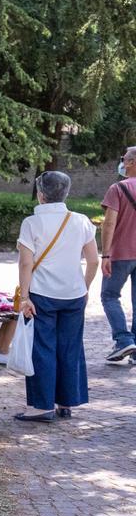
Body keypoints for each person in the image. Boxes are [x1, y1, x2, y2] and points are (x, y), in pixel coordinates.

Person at [15, 171, 99, 422]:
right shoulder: (82, 220)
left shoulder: (31, 223)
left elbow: (25, 264)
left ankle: (41, 406)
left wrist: (24, 297)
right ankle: (66, 402)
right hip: (74, 294)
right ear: (66, 193)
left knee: (42, 348)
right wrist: (85, 288)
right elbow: (93, 260)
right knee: (71, 348)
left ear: (40, 195)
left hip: (42, 294)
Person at [100, 145, 136, 363]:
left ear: (131, 163)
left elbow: (109, 223)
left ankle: (123, 340)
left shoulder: (117, 189)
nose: (122, 161)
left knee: (109, 295)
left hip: (121, 253)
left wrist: (105, 255)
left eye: (124, 158)